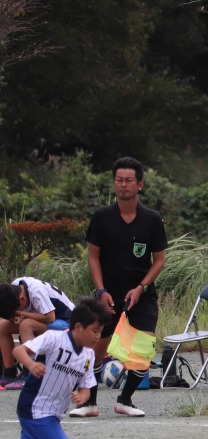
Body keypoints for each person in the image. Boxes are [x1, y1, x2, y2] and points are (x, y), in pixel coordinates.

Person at [71, 156, 167, 418]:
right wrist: (101, 292)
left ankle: (125, 400)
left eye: (129, 181)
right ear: (114, 183)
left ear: (140, 185)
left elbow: (159, 260)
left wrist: (141, 287)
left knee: (143, 350)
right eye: (119, 180)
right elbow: (93, 257)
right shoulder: (102, 217)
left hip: (141, 295)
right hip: (108, 296)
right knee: (95, 350)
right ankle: (89, 403)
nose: (123, 185)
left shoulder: (151, 219)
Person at [0, 297, 112, 439]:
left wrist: (82, 396)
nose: (98, 336)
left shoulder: (88, 355)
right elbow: (18, 351)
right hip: (35, 409)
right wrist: (31, 364)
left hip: (53, 414)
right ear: (78, 327)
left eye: (100, 332)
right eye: (95, 330)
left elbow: (87, 386)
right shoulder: (54, 338)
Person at [0, 277, 74, 390]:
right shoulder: (15, 286)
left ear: (22, 299)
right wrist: (13, 318)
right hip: (48, 322)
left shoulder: (36, 291)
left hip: (67, 323)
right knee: (3, 326)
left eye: (17, 310)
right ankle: (9, 374)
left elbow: (50, 317)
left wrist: (21, 314)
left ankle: (29, 374)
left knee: (26, 324)